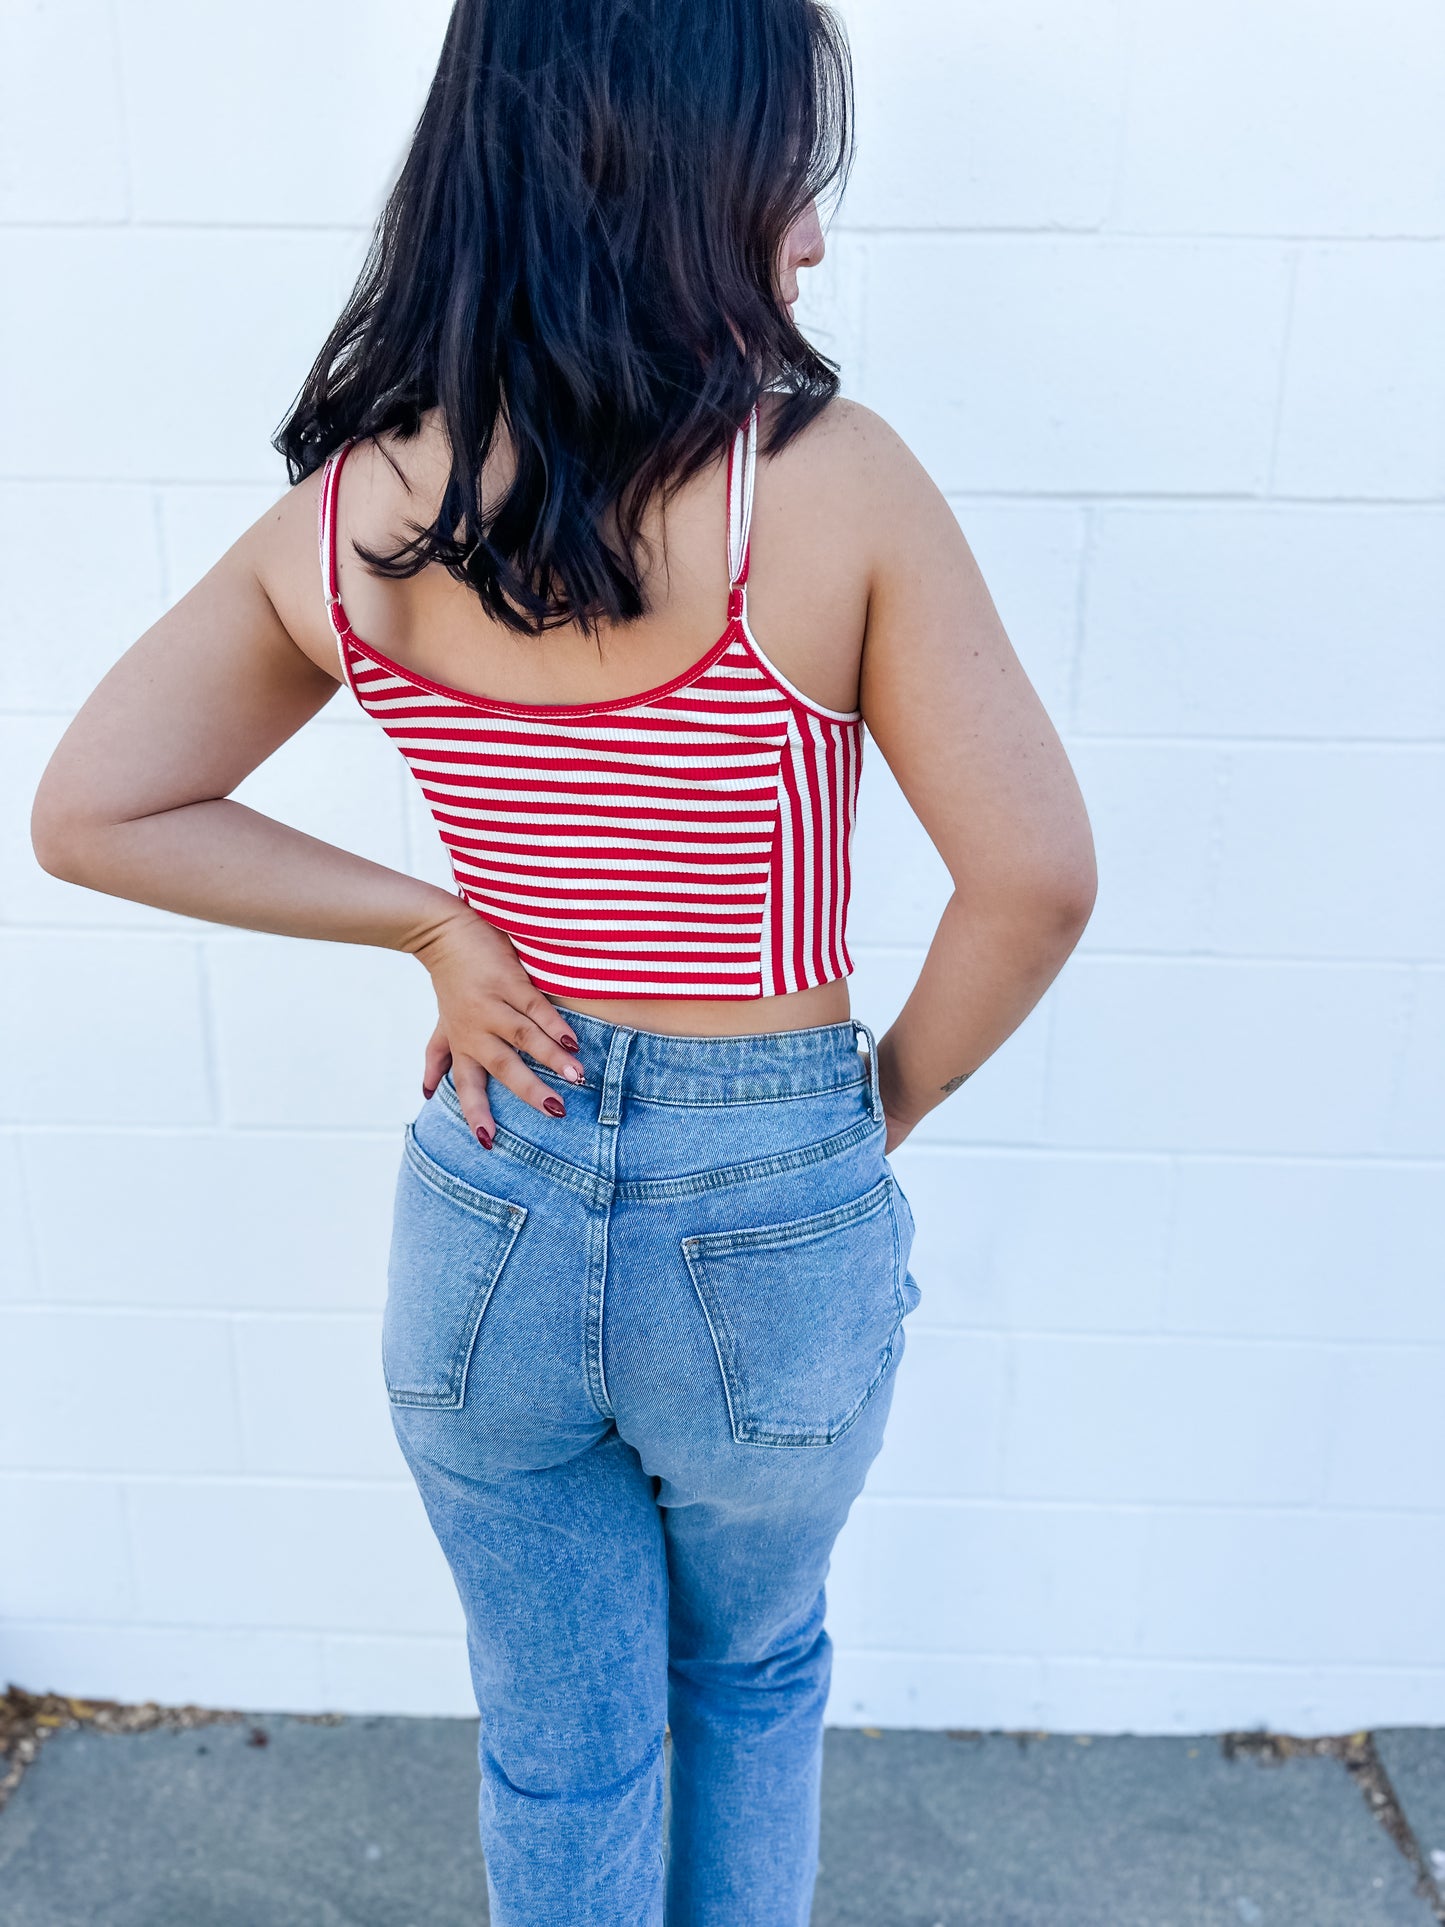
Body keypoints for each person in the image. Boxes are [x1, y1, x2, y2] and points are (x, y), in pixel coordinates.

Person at [30, 0, 1096, 1919]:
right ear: (681, 170)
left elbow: (96, 806)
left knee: (558, 1739)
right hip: (770, 1196)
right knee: (751, 1678)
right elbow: (1031, 881)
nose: (814, 236)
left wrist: (436, 924)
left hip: (488, 1193)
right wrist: (858, 1121)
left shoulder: (355, 510)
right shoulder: (828, 483)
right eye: (793, 173)